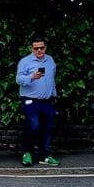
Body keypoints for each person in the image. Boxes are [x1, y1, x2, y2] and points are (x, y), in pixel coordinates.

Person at [15, 35, 59, 166]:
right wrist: (32, 77)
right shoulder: (25, 61)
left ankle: (44, 156)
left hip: (47, 101)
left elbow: (52, 80)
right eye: (36, 48)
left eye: (41, 48)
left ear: (45, 47)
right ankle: (27, 153)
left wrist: (54, 95)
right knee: (33, 125)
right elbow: (18, 79)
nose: (39, 51)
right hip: (30, 100)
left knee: (48, 128)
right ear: (31, 48)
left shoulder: (50, 60)